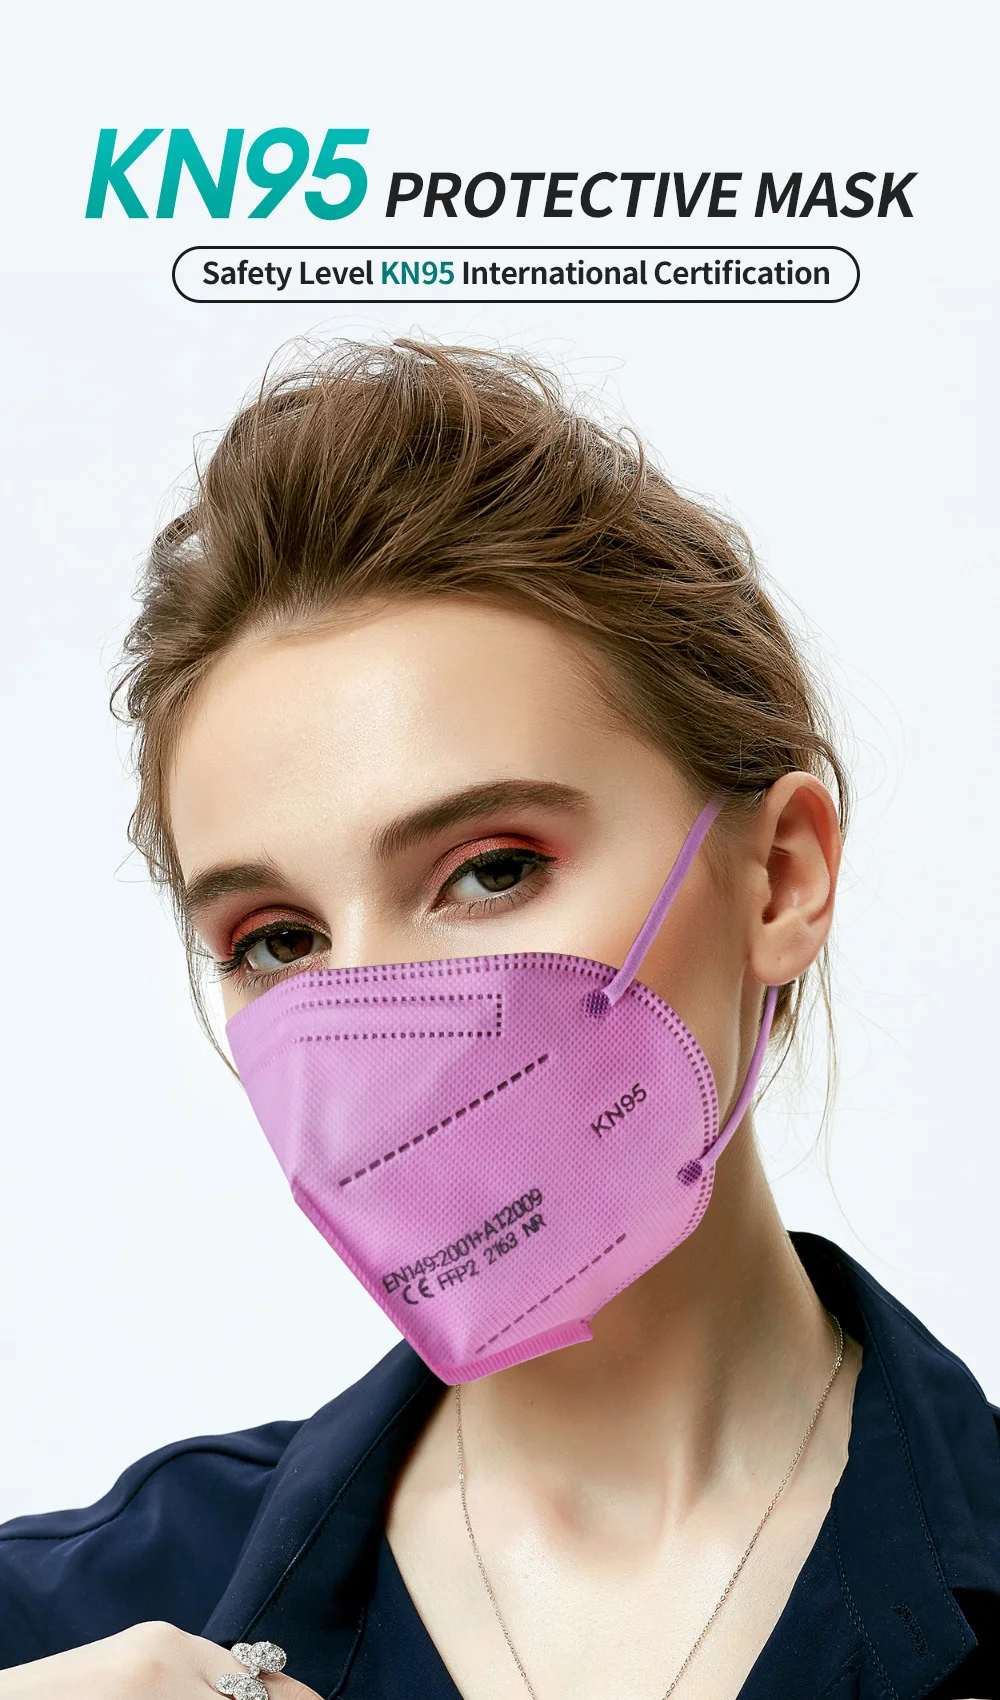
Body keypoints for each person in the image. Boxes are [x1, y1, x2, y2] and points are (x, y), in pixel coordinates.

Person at [0, 339, 996, 1700]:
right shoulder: (57, 1623)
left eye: (489, 870)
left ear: (780, 876)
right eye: (279, 940)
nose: (371, 1034)